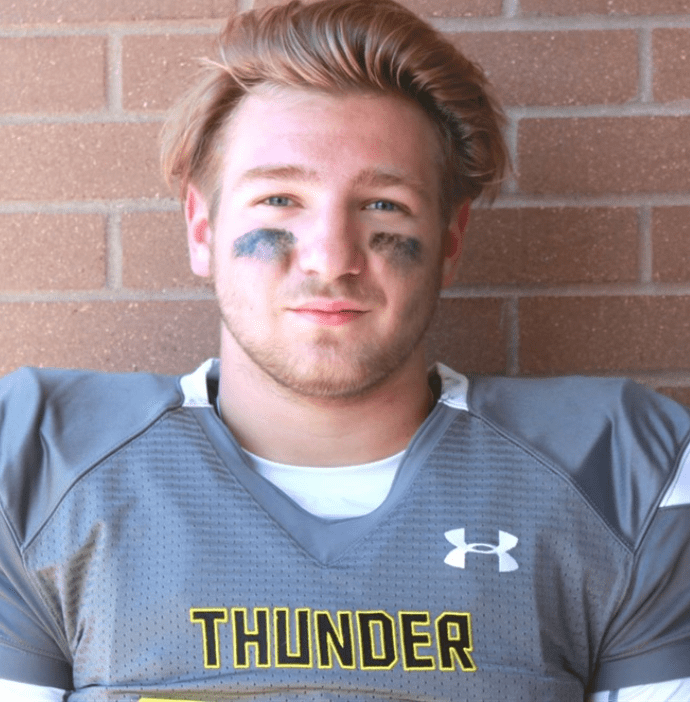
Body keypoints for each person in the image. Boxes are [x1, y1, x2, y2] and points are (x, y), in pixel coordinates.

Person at [0, 0, 688, 700]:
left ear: (450, 239)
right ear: (202, 229)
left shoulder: (618, 473)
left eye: (383, 205)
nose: (331, 258)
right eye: (279, 200)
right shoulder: (40, 466)